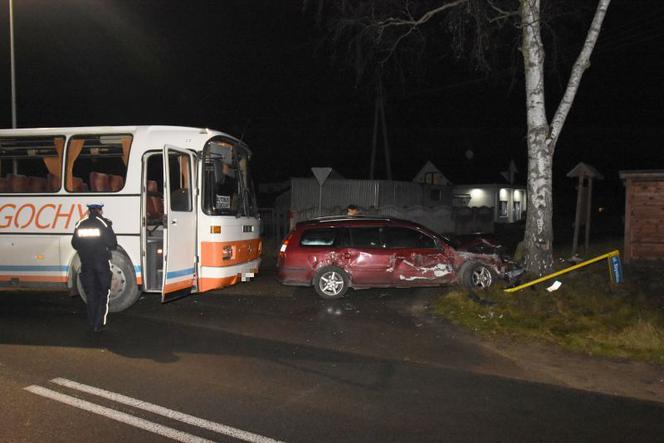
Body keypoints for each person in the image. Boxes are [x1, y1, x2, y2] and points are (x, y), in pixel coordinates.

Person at [71, 203, 118, 333]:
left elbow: (74, 243)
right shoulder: (103, 224)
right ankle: (98, 324)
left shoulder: (80, 224)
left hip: (86, 264)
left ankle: (92, 322)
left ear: (89, 211)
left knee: (91, 294)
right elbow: (112, 243)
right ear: (99, 210)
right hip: (101, 264)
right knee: (102, 293)